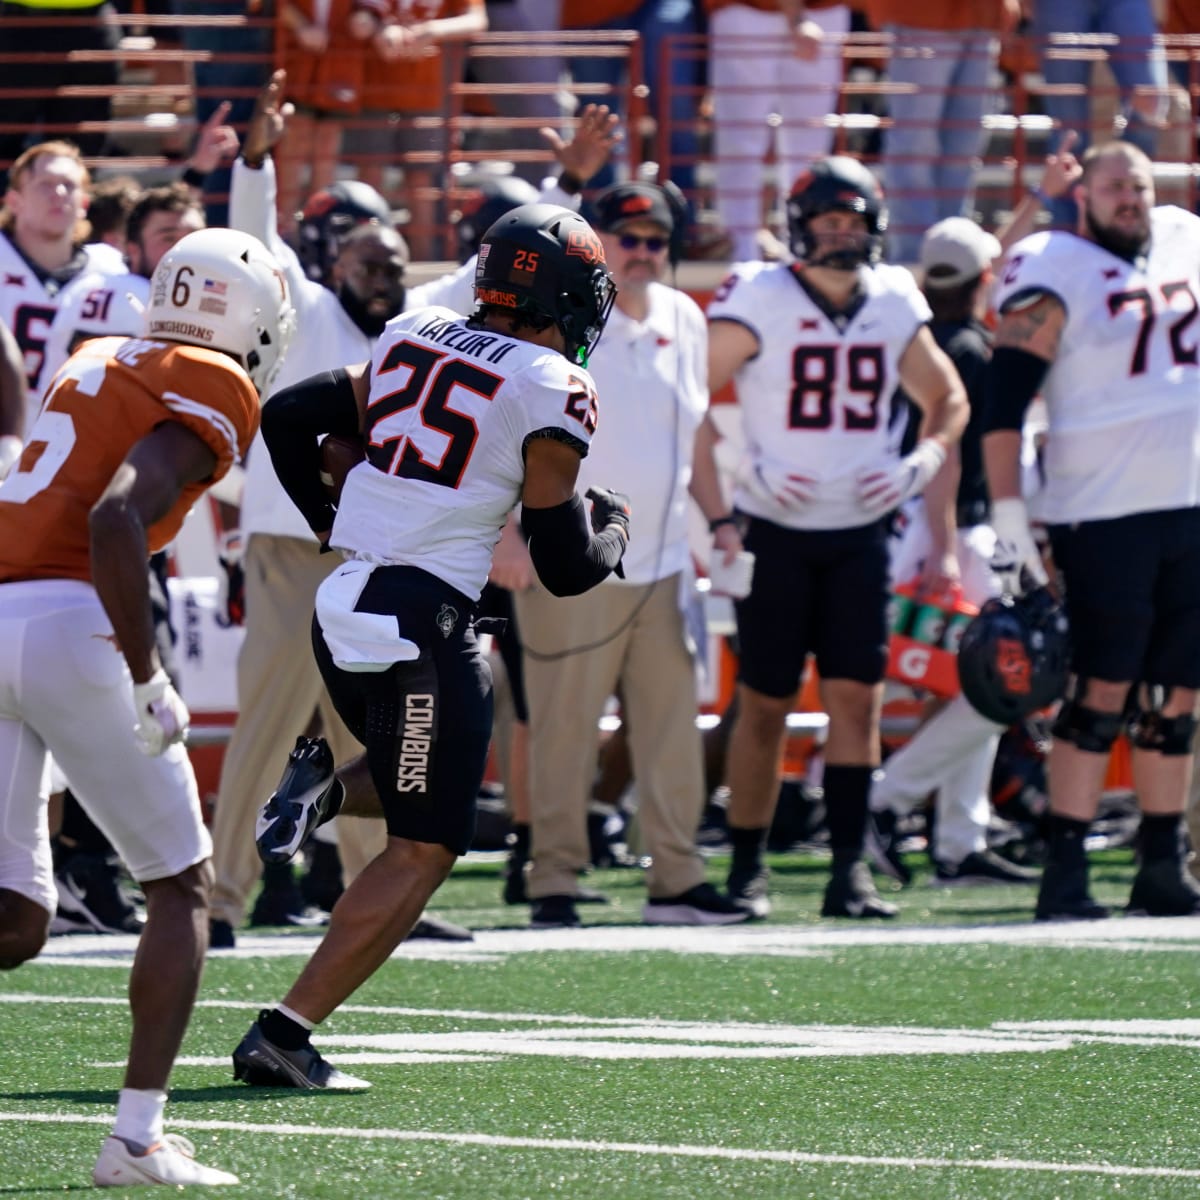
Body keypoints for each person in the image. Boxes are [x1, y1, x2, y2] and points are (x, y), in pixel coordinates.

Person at [229, 202, 627, 1089]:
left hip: (345, 606)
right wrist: (614, 532)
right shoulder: (553, 384)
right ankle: (284, 1034)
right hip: (423, 622)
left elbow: (291, 417)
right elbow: (563, 564)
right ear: (563, 294)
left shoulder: (415, 331)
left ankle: (319, 795)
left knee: (425, 782)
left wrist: (343, 520)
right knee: (427, 844)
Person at [0, 226, 294, 1185]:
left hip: (1, 607)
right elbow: (115, 515)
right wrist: (144, 672)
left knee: (15, 920)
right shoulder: (213, 379)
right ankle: (135, 1139)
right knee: (180, 885)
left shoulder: (96, 354)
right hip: (68, 615)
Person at [697, 155, 968, 919]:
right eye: (829, 223)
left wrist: (922, 460)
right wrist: (736, 479)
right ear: (800, 228)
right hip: (776, 532)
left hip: (861, 533)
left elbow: (947, 396)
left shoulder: (890, 300)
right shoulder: (760, 295)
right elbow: (686, 393)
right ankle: (748, 864)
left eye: (854, 224)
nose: (842, 237)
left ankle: (847, 869)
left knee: (858, 702)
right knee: (764, 703)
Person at [509, 181, 749, 928]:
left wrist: (722, 518)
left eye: (656, 240)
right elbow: (512, 422)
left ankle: (675, 879)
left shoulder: (685, 315)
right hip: (573, 553)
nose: (643, 253)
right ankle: (552, 879)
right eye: (628, 238)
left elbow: (698, 434)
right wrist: (511, 532)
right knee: (564, 726)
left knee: (674, 726)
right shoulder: (563, 314)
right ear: (597, 243)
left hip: (665, 558)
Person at [982, 139, 1200, 922]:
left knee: (1178, 694)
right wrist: (1010, 518)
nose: (1129, 198)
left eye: (1138, 184)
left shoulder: (1186, 239)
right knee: (1100, 687)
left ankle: (1161, 861)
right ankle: (1067, 865)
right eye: (1113, 186)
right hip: (1100, 509)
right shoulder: (1054, 264)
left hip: (1190, 500)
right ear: (1086, 196)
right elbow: (1002, 405)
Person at [867, 215, 1041, 887]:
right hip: (953, 530)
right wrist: (942, 549)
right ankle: (890, 801)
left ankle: (957, 837)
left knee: (982, 682)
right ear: (985, 280)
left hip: (919, 526)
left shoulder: (918, 336)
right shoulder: (966, 348)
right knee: (1004, 677)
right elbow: (949, 458)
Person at [870, 0, 1019, 263]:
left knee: (964, 145)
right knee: (914, 143)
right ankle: (914, 258)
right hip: (922, 15)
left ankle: (954, 255)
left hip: (983, 16)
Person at [704, 0, 851, 262]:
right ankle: (740, 253)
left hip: (823, 10)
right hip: (747, 10)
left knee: (810, 146)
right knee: (741, 138)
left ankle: (806, 249)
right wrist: (795, 18)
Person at [0, 141, 125, 425]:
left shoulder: (111, 270)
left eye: (68, 185)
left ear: (84, 204)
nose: (58, 194)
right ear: (14, 200)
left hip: (76, 437)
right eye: (45, 184)